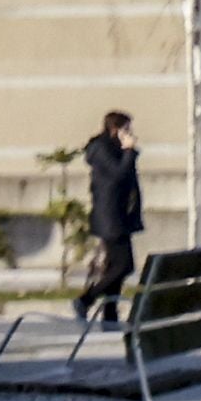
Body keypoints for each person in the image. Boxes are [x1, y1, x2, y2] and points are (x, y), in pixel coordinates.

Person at [72, 111, 142, 324]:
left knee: (115, 266)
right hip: (110, 217)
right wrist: (129, 150)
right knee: (124, 265)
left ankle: (110, 312)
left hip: (120, 215)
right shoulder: (102, 149)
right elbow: (119, 174)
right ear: (115, 129)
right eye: (126, 129)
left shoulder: (113, 147)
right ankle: (86, 299)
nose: (130, 134)